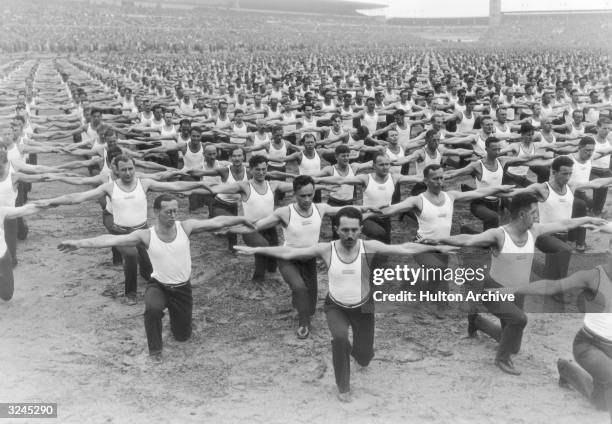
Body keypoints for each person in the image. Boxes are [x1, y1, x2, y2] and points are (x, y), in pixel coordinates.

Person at [235, 206, 456, 402]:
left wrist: (437, 246)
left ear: (361, 229)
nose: (349, 235)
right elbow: (289, 251)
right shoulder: (326, 249)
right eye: (344, 230)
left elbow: (405, 249)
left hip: (363, 308)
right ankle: (343, 386)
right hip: (336, 307)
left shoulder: (369, 246)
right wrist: (256, 250)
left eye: (354, 230)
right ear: (336, 229)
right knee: (339, 338)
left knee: (364, 356)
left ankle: (357, 352)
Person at [422, 193, 607, 375]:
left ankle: (476, 321)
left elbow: (563, 223)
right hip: (494, 290)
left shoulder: (534, 231)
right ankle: (501, 359)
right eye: (534, 213)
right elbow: (467, 239)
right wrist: (438, 240)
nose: (537, 217)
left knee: (512, 344)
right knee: (519, 319)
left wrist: (588, 218)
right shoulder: (499, 235)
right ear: (522, 215)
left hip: (517, 292)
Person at [58, 194, 254, 361]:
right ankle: (155, 351)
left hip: (182, 290)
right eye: (168, 211)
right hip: (158, 286)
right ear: (156, 212)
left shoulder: (186, 227)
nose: (173, 215)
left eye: (175, 211)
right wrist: (80, 243)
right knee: (152, 309)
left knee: (182, 336)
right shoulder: (146, 235)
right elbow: (111, 239)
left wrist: (241, 219)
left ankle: (179, 326)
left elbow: (216, 222)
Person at [38, 155, 211, 304]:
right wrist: (52, 202)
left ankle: (154, 282)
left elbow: (175, 187)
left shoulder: (144, 184)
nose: (128, 173)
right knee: (130, 255)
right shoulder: (109, 187)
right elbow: (78, 197)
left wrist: (200, 186)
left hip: (142, 231)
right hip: (119, 232)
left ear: (135, 169)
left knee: (148, 266)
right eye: (124, 170)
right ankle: (130, 293)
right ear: (116, 171)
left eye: (131, 169)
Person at [230, 176, 376, 339]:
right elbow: (257, 225)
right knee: (300, 288)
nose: (307, 199)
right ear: (294, 194)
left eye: (310, 195)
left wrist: (369, 208)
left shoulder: (321, 208)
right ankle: (304, 323)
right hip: (287, 258)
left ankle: (301, 305)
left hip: (309, 259)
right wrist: (231, 229)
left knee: (310, 306)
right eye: (302, 196)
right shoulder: (285, 212)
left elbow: (345, 210)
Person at [0, 202, 51, 301]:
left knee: (7, 295)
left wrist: (51, 203)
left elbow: (24, 210)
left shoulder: (1, 211)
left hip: (2, 257)